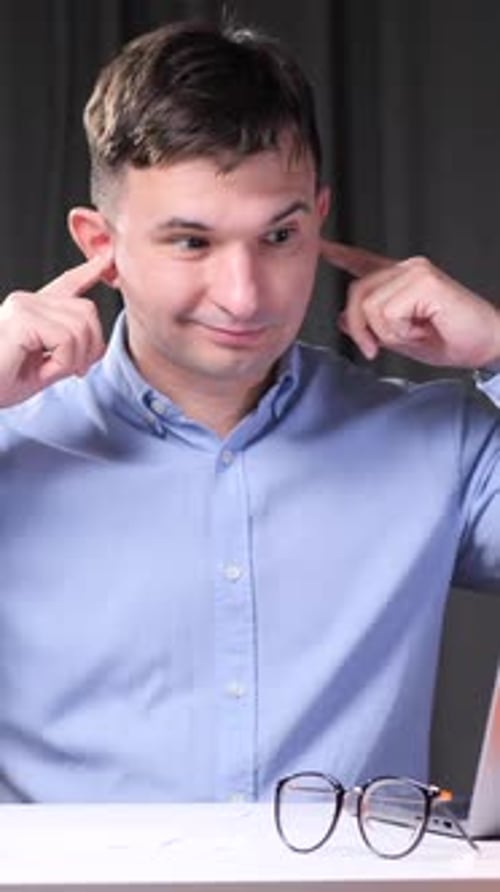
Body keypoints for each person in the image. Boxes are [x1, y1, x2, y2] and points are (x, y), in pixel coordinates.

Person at [0, 19, 498, 805]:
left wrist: (498, 348)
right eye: (192, 243)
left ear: (319, 219)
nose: (245, 294)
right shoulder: (10, 450)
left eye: (278, 235)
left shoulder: (442, 448)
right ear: (102, 244)